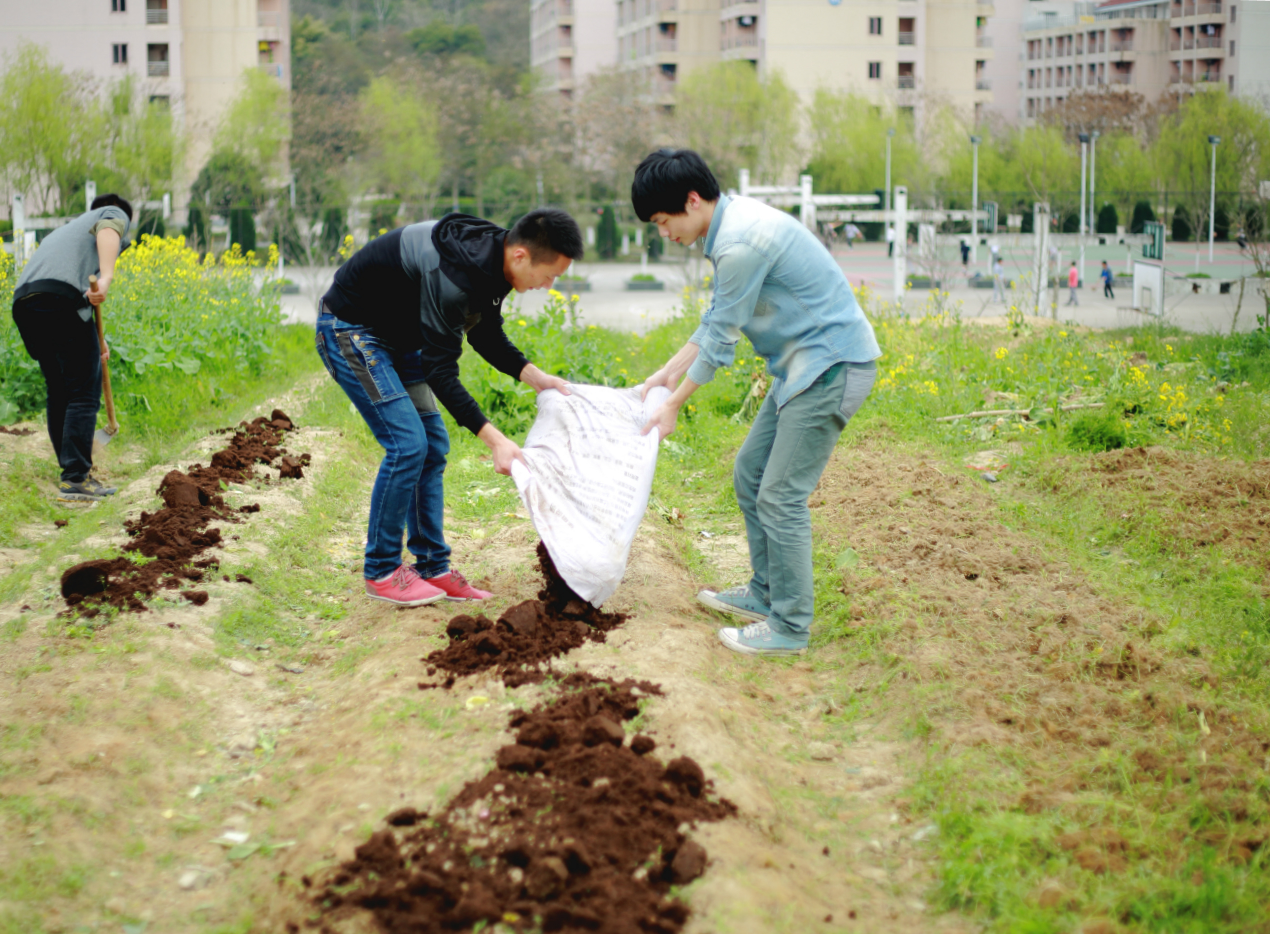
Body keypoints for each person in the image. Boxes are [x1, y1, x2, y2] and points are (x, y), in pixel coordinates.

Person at [630, 149, 880, 657]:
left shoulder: (740, 243)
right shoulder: (731, 225)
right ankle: (765, 595)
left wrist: (674, 403)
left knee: (781, 495)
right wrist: (664, 375)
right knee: (751, 473)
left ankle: (789, 627)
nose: (664, 233)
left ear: (692, 200)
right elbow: (716, 318)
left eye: (662, 221)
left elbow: (721, 339)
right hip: (802, 369)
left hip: (831, 368)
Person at [317, 209, 582, 607]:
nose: (548, 286)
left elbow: (486, 332)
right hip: (351, 331)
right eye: (549, 276)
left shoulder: (497, 259)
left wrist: (537, 378)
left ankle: (431, 566)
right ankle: (382, 571)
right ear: (522, 255)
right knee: (408, 445)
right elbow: (440, 372)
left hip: (400, 339)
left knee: (432, 446)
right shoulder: (455, 275)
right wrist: (496, 440)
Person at [11, 194, 131, 503]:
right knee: (83, 391)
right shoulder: (111, 211)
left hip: (26, 303)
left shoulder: (66, 232)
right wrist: (107, 277)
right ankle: (76, 477)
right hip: (60, 300)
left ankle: (71, 473)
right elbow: (110, 226)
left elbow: (69, 291)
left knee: (60, 389)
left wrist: (96, 339)